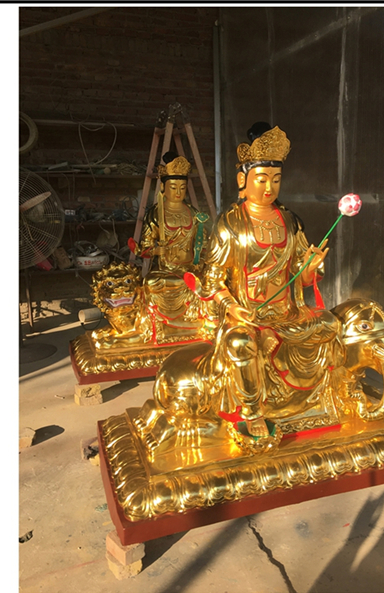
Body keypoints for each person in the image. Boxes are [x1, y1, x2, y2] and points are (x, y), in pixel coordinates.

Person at [198, 123, 344, 437]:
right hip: (249, 315)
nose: (269, 188)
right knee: (241, 343)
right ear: (243, 180)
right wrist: (232, 308)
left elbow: (302, 275)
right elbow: (212, 279)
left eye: (276, 180)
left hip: (288, 314)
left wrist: (311, 267)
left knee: (331, 324)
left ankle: (321, 397)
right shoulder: (230, 224)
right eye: (262, 179)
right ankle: (253, 411)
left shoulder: (290, 221)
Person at [137, 151, 212, 342]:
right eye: (173, 187)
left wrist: (201, 259)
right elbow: (144, 248)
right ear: (163, 187)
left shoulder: (193, 213)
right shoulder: (156, 214)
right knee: (151, 283)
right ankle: (161, 325)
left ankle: (198, 323)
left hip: (190, 269)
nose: (178, 192)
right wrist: (157, 250)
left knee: (209, 282)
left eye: (182, 188)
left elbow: (203, 243)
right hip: (166, 272)